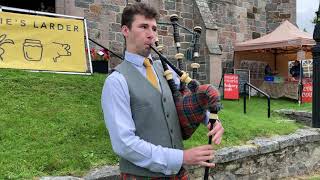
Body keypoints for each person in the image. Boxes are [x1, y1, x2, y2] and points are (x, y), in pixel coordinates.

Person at [101, 2, 224, 179]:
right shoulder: (116, 82)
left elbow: (184, 102)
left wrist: (211, 119)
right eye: (143, 27)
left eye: (154, 28)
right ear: (125, 31)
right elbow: (124, 144)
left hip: (176, 174)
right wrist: (183, 157)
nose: (151, 34)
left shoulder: (167, 72)